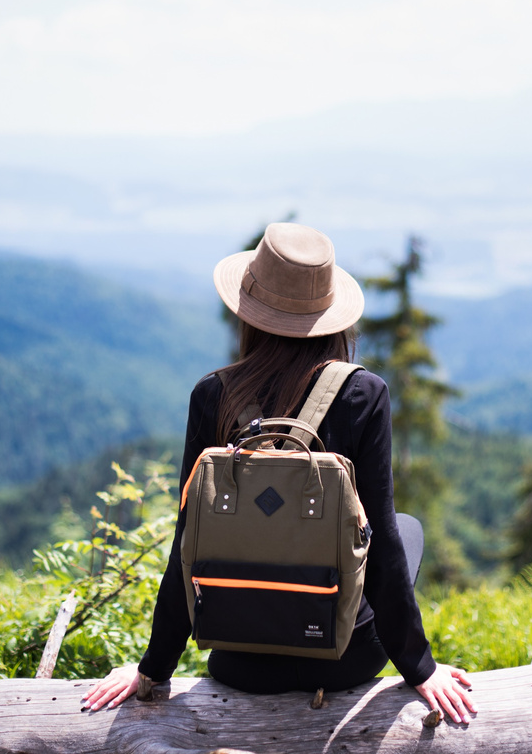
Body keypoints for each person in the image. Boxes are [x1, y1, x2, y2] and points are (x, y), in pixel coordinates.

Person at [83, 222, 477, 724]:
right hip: (344, 661)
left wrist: (153, 671)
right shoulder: (364, 394)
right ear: (333, 319)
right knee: (402, 527)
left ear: (250, 313)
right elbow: (379, 552)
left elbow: (189, 548)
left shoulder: (213, 395)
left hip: (241, 660)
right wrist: (421, 669)